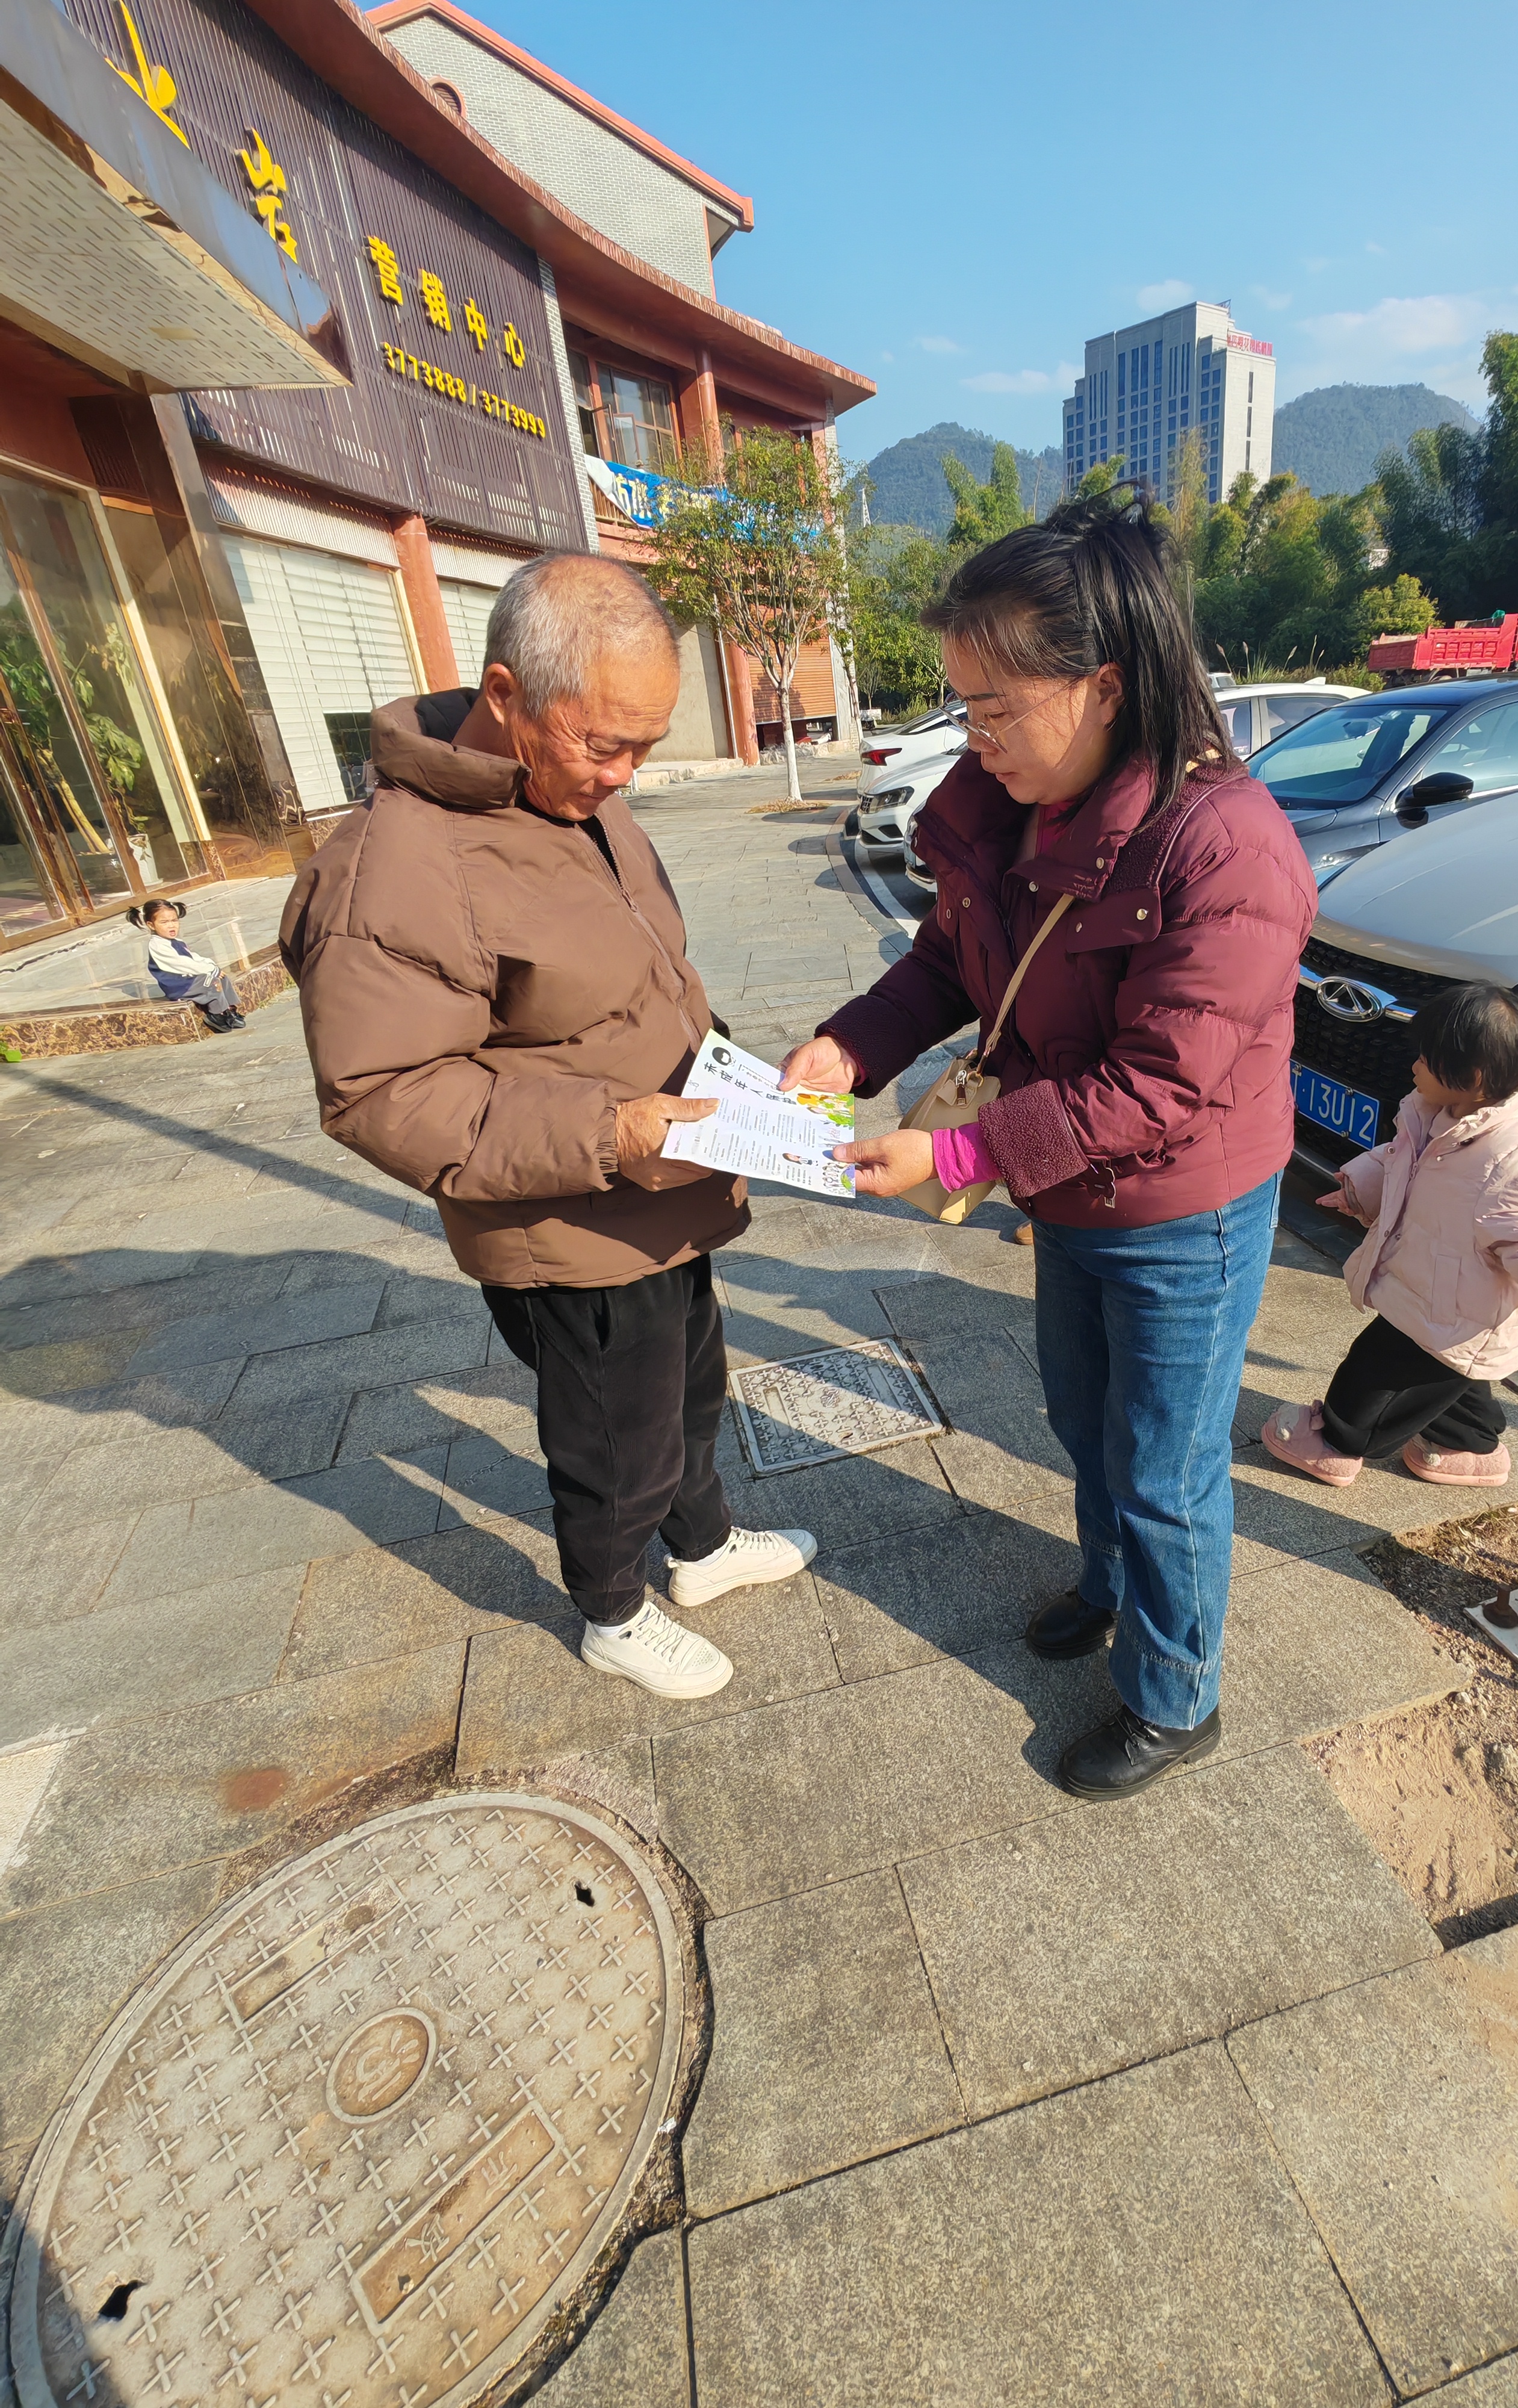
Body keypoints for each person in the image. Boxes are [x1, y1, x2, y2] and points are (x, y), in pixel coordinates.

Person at [779, 490, 1315, 1802]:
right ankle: (1112, 1583)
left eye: (998, 708)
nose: (976, 737)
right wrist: (850, 1047)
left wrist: (958, 1159)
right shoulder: (1004, 805)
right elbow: (945, 962)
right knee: (1084, 1416)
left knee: (1166, 1461)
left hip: (1182, 1207)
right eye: (964, 706)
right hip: (1067, 1189)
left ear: (1106, 685)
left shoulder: (1225, 846)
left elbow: (1159, 1082)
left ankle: (1176, 1693)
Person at [280, 554, 814, 1699]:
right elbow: (379, 1091)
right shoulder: (397, 865)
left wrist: (737, 1086)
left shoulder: (572, 797)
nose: (625, 777)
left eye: (644, 749)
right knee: (616, 1439)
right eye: (605, 745)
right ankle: (611, 1612)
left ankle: (704, 1549)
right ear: (506, 693)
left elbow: (639, 974)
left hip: (665, 1182)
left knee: (689, 1393)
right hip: (571, 1218)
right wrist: (612, 1132)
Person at [1262, 984, 1518, 1488]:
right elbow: (1401, 1162)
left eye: (1426, 1059)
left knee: (1375, 1375)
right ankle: (1468, 1443)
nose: (1414, 1065)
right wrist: (1359, 1188)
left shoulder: (1516, 1161)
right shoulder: (1441, 1115)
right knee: (1456, 1376)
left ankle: (1337, 1442)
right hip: (1438, 1300)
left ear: (1471, 1078)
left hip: (1453, 1315)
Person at [132, 899, 244, 1031]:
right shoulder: (158, 946)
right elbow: (184, 964)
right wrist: (209, 970)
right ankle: (217, 1014)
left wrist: (210, 965)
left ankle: (230, 1009)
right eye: (164, 922)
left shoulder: (176, 941)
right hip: (180, 986)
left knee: (221, 977)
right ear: (151, 925)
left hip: (189, 980)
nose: (171, 926)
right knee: (212, 982)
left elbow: (192, 958)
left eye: (174, 921)